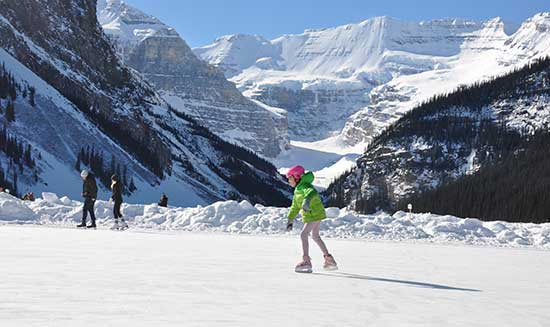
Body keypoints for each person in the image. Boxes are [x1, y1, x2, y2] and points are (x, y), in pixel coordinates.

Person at [286, 165, 337, 273]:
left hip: (314, 214)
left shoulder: (305, 186)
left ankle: (306, 261)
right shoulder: (297, 190)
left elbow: (312, 192)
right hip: (313, 214)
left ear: (296, 177)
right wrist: (290, 219)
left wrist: (307, 201)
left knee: (303, 235)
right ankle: (329, 259)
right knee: (315, 236)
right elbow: (295, 206)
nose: (288, 181)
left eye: (290, 178)